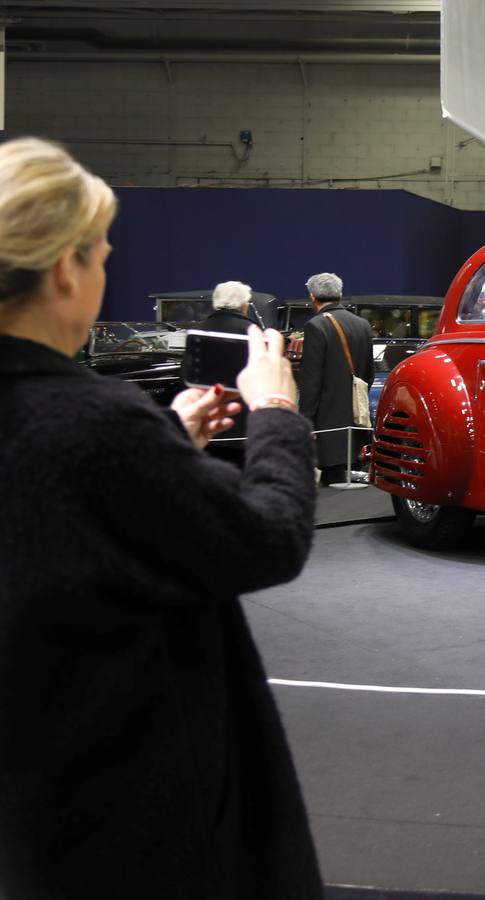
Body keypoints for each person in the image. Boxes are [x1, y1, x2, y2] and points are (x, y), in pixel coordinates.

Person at [0, 138, 323, 899]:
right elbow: (268, 536)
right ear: (65, 268)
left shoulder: (76, 429)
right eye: (102, 256)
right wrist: (277, 411)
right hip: (129, 816)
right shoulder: (95, 427)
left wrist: (169, 440)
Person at [298, 272, 374, 485]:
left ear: (312, 296)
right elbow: (369, 373)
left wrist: (305, 422)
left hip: (329, 430)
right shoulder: (363, 325)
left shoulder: (316, 326)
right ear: (340, 294)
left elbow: (311, 381)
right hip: (357, 424)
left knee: (332, 490)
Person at [200, 280, 258, 465]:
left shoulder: (199, 330)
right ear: (243, 305)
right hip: (243, 422)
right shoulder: (251, 332)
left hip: (208, 420)